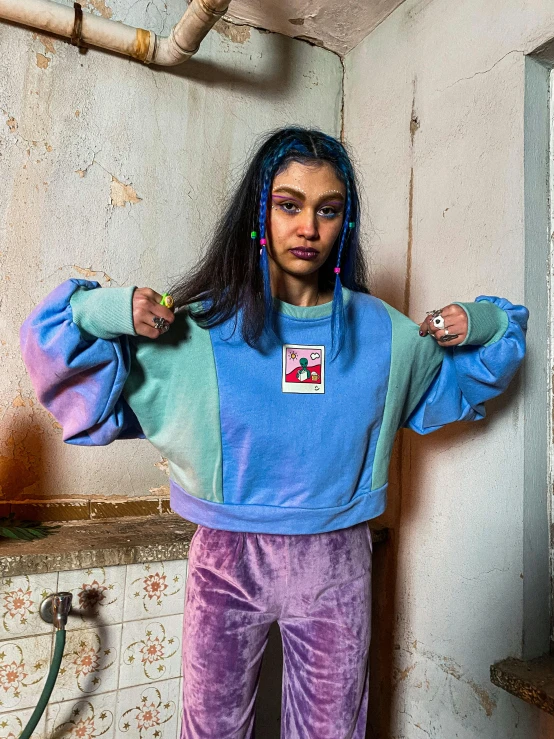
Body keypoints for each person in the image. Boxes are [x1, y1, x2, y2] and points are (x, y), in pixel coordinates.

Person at [20, 127, 528, 739]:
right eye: (288, 204)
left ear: (346, 221)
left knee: (330, 732)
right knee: (211, 731)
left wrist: (481, 318)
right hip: (226, 558)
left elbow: (495, 350)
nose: (308, 227)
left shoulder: (388, 335)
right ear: (259, 212)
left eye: (328, 209)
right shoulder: (200, 329)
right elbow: (54, 340)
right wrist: (109, 307)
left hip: (337, 560)